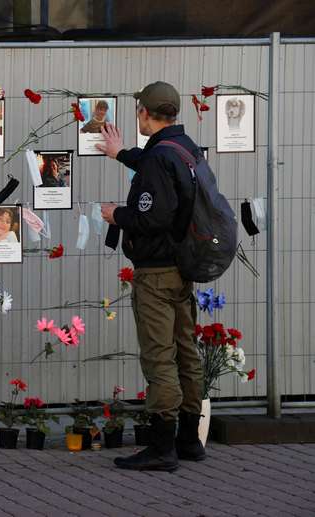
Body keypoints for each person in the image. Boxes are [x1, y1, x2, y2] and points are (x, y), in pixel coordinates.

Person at [96, 81, 203, 472]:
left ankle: (162, 447)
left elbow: (152, 216)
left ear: (144, 112)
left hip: (156, 274)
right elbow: (164, 179)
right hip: (182, 269)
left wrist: (116, 215)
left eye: (139, 108)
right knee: (187, 353)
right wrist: (121, 153)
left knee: (160, 358)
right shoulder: (184, 148)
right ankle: (190, 440)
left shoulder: (160, 158)